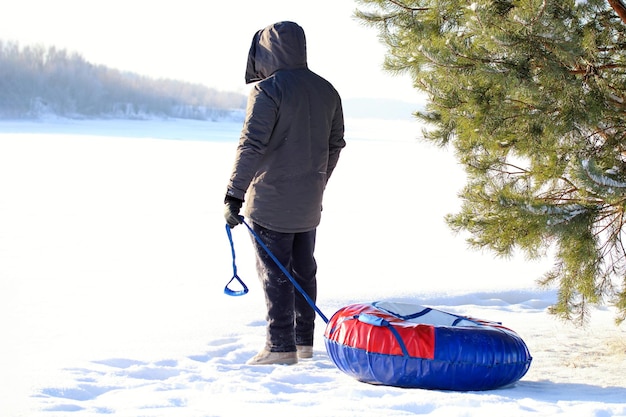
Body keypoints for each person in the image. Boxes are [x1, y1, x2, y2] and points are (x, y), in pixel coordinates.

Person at [223, 21, 345, 365]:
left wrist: (234, 194)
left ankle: (280, 347)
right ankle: (303, 343)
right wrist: (317, 180)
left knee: (275, 272)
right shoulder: (327, 90)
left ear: (266, 51)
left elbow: (251, 145)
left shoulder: (269, 90)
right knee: (304, 268)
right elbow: (335, 144)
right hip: (308, 200)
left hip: (271, 200)